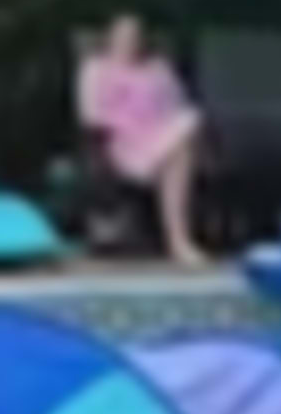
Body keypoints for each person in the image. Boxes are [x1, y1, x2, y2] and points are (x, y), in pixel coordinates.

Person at [75, 14, 212, 266]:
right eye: (122, 35)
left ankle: (179, 240)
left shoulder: (158, 69)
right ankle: (179, 240)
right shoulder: (96, 69)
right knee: (182, 149)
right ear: (110, 38)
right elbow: (91, 115)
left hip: (160, 137)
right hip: (121, 144)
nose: (129, 41)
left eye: (134, 35)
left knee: (185, 133)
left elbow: (177, 105)